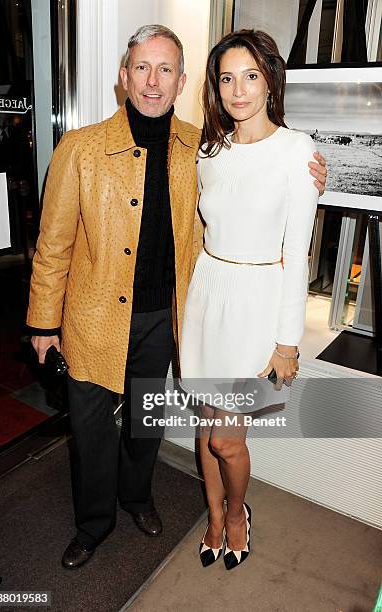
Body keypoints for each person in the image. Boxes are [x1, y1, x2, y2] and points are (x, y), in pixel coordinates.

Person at [26, 24, 327, 570]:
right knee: (92, 431)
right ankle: (94, 525)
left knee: (146, 423)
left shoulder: (199, 147)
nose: (153, 80)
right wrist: (44, 323)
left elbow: (255, 188)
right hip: (93, 318)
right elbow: (52, 246)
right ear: (124, 75)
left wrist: (315, 175)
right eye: (142, 67)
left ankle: (138, 499)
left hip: (167, 318)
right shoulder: (80, 148)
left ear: (183, 81)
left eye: (166, 69)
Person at [180, 29, 321, 570]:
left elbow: (298, 254)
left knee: (225, 440)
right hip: (208, 298)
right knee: (206, 426)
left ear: (270, 81)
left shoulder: (297, 151)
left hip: (258, 303)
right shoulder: (209, 150)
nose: (239, 90)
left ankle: (237, 513)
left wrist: (288, 342)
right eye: (227, 78)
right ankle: (213, 519)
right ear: (217, 87)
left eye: (251, 76)